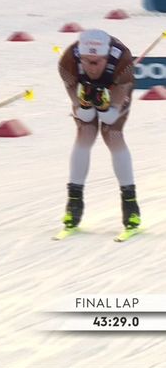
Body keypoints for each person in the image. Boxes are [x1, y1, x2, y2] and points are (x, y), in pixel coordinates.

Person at [57, 29, 140, 232]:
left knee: (112, 134)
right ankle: (74, 200)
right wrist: (84, 105)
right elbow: (83, 114)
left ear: (106, 56)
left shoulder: (123, 63)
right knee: (85, 132)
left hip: (116, 86)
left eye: (97, 62)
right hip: (82, 86)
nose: (92, 68)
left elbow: (111, 117)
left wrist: (104, 107)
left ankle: (130, 202)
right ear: (80, 56)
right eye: (86, 61)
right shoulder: (67, 63)